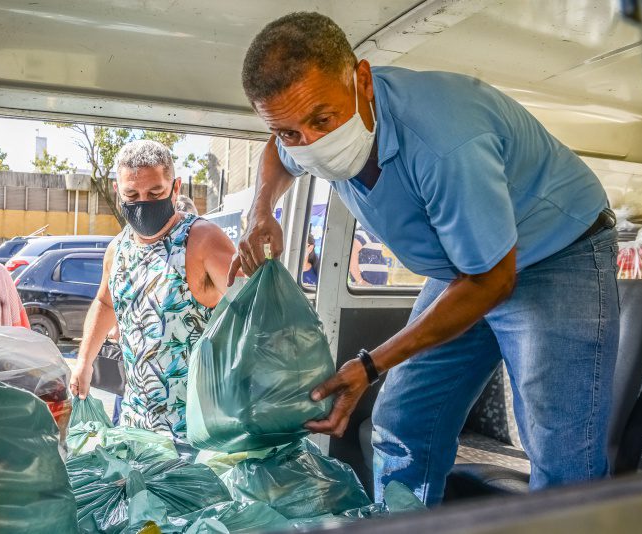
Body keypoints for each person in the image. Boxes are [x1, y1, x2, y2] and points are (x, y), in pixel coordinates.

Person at [230, 12, 618, 505]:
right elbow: (276, 151)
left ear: (363, 81)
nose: (310, 145)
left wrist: (370, 365)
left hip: (557, 253)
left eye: (321, 121)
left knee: (563, 450)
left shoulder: (446, 141)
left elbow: (492, 282)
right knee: (401, 420)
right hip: (467, 268)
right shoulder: (304, 127)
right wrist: (261, 210)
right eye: (290, 132)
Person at [70, 139, 236, 443]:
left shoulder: (202, 240)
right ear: (118, 190)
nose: (143, 202)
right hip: (137, 424)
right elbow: (106, 303)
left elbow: (251, 310)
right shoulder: (117, 248)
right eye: (132, 194)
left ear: (175, 187)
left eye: (155, 192)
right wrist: (83, 362)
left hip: (199, 432)